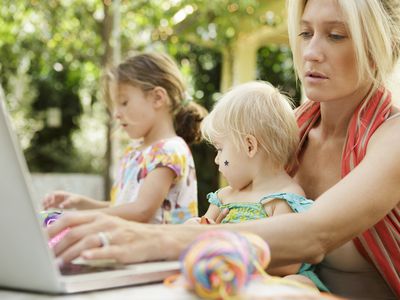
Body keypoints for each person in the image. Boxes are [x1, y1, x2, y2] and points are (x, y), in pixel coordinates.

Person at [47, 0, 400, 298]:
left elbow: (313, 235)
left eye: (336, 35)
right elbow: (232, 213)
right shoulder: (286, 132)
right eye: (305, 33)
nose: (310, 52)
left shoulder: (392, 138)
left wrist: (154, 238)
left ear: (380, 46)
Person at [184, 81, 328, 291]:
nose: (217, 160)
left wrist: (227, 243)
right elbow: (198, 234)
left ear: (249, 146)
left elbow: (289, 263)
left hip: (266, 284)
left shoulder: (283, 198)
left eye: (220, 149)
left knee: (299, 284)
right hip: (226, 280)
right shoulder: (225, 197)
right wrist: (193, 228)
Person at [43, 52, 207, 224]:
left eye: (124, 102)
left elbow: (142, 211)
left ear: (157, 98)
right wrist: (83, 204)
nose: (116, 114)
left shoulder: (169, 150)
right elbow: (124, 206)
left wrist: (79, 218)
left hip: (160, 250)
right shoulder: (134, 150)